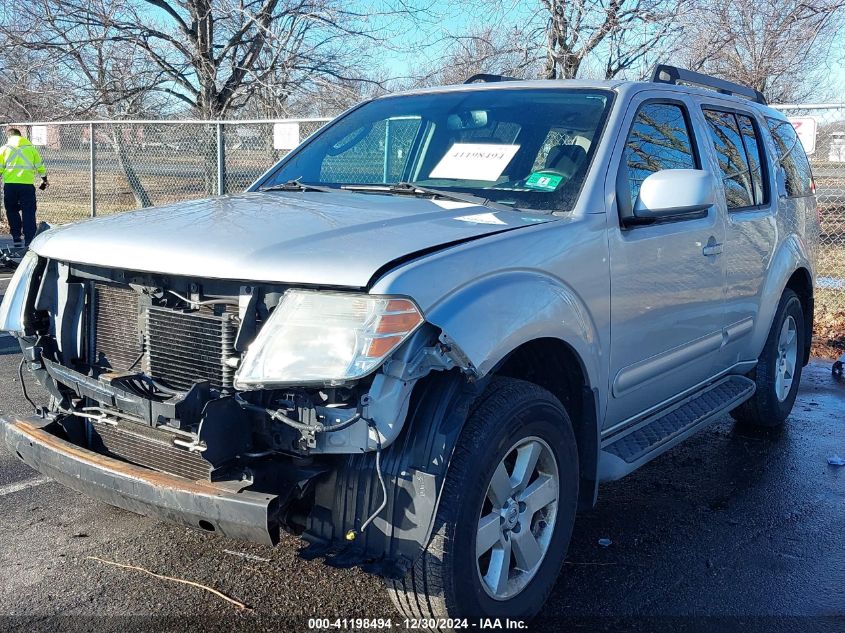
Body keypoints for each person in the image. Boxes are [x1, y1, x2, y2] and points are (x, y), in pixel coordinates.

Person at [1, 127, 48, 247]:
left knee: (11, 210)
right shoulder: (31, 150)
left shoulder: (4, 150)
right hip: (27, 186)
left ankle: (16, 236)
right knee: (29, 212)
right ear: (21, 136)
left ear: (9, 137)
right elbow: (40, 167)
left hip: (10, 185)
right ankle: (29, 240)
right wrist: (44, 180)